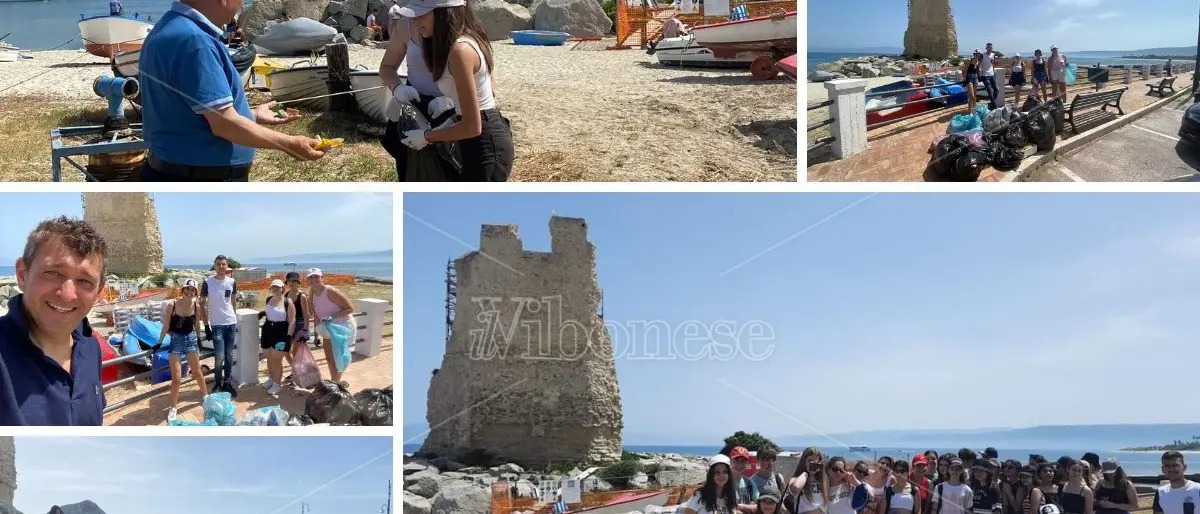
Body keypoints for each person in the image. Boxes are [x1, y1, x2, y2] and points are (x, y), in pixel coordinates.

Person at [138, 0, 324, 181]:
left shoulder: (166, 28)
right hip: (200, 178)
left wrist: (252, 115)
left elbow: (184, 110)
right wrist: (289, 144)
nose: (243, 4)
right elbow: (224, 124)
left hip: (170, 170)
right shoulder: (196, 41)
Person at [0, 217, 108, 426]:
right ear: (23, 275)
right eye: (52, 273)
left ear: (99, 292)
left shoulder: (92, 348)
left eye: (84, 281)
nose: (67, 295)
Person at [392, 0, 515, 181]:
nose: (415, 21)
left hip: (486, 142)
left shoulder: (460, 50)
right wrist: (450, 120)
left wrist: (427, 136)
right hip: (478, 135)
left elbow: (473, 126)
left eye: (422, 15)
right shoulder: (461, 43)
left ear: (444, 15)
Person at [155, 279, 209, 421]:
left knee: (197, 372)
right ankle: (173, 407)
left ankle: (205, 397)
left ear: (195, 292)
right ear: (183, 289)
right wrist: (159, 343)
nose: (190, 292)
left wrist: (198, 338)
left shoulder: (196, 305)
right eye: (188, 289)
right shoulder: (171, 305)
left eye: (193, 290)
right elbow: (166, 326)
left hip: (191, 339)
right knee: (177, 379)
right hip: (176, 341)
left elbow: (196, 323)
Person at [306, 268, 356, 386]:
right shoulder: (311, 294)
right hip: (327, 328)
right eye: (311, 277)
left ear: (321, 277)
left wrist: (332, 316)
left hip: (340, 327)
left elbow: (350, 308)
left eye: (316, 276)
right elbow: (316, 315)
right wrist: (316, 334)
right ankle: (335, 383)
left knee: (338, 359)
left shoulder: (330, 291)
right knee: (329, 358)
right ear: (307, 280)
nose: (314, 279)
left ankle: (335, 385)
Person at [202, 255, 239, 396]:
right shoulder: (207, 283)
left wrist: (234, 319)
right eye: (218, 264)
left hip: (231, 323)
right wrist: (206, 326)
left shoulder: (232, 281)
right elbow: (202, 305)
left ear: (227, 266)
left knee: (229, 356)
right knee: (219, 357)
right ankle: (218, 383)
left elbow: (233, 302)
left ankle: (227, 383)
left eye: (223, 264)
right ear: (214, 266)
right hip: (217, 325)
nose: (221, 266)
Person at [260, 279, 295, 396]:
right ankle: (271, 379)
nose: (275, 289)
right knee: (269, 357)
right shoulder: (268, 299)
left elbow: (292, 320)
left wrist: (288, 337)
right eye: (273, 287)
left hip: (281, 332)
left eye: (277, 287)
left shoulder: (287, 302)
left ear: (282, 289)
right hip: (267, 329)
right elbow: (270, 313)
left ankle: (276, 384)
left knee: (276, 360)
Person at [282, 271, 310, 382]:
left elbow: (306, 314)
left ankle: (296, 374)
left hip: (299, 325)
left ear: (297, 282)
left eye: (293, 280)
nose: (291, 282)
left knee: (296, 353)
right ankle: (296, 371)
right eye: (289, 280)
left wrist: (305, 330)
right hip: (289, 324)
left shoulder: (302, 296)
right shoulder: (286, 295)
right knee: (286, 352)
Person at [786, 447, 829, 514]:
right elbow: (796, 487)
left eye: (816, 462)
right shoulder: (797, 479)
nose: (813, 464)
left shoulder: (824, 481)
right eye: (810, 461)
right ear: (804, 462)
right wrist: (807, 473)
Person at [730, 446, 761, 512]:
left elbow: (760, 504)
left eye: (743, 461)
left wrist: (740, 506)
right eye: (736, 460)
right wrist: (749, 506)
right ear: (730, 461)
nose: (740, 464)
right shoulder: (722, 482)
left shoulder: (749, 483)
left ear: (747, 463)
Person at [979, 42, 1001, 108]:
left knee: (997, 89)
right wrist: (979, 74)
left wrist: (994, 71)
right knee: (990, 91)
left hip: (991, 74)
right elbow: (978, 65)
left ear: (992, 48)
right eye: (988, 47)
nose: (989, 48)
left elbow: (993, 64)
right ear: (986, 48)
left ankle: (991, 104)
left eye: (991, 47)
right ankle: (995, 106)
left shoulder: (993, 55)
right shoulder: (982, 55)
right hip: (985, 75)